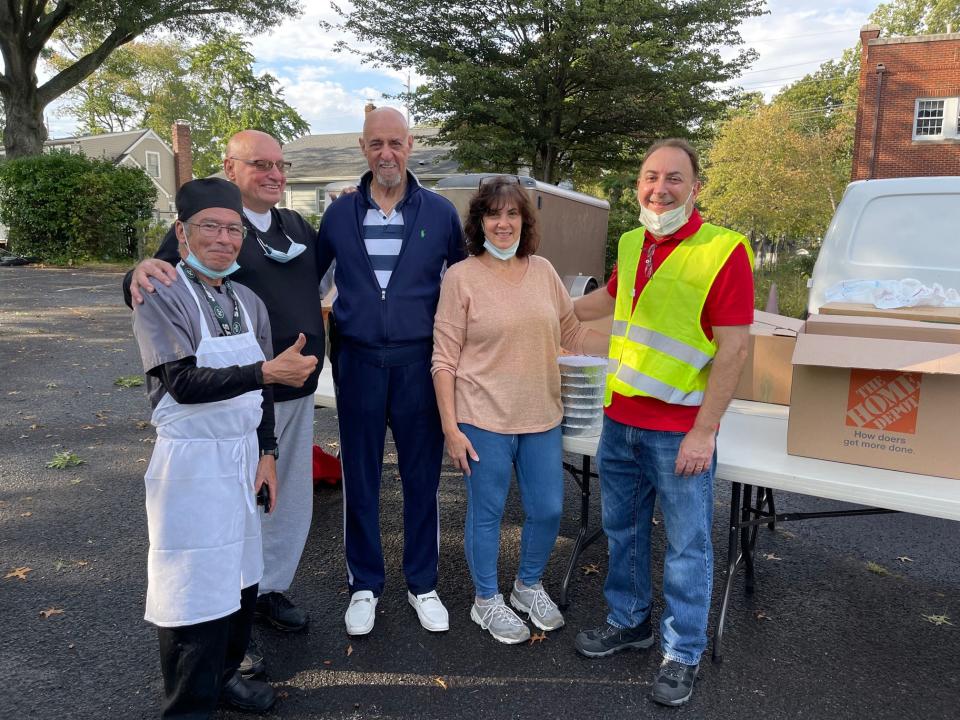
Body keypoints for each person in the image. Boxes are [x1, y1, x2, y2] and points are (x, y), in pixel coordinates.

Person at [125, 131, 326, 662]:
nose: (275, 175)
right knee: (225, 515)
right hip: (229, 399)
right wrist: (133, 272)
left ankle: (270, 587)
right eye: (260, 164)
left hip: (292, 389)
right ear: (230, 168)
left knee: (283, 496)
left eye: (281, 165)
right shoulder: (209, 223)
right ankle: (226, 611)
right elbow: (157, 278)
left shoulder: (298, 226)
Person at [572, 139, 753, 706]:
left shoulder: (723, 251)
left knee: (687, 545)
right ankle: (630, 622)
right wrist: (544, 301)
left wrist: (705, 431)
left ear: (695, 186)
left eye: (674, 178)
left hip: (679, 430)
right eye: (651, 177)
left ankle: (683, 650)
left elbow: (734, 351)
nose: (660, 188)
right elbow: (606, 301)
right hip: (620, 419)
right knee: (622, 531)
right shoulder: (631, 244)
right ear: (637, 187)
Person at [431, 176, 608, 644]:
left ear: (525, 221)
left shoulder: (545, 271)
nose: (503, 223)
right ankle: (485, 600)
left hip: (541, 414)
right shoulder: (461, 277)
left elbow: (571, 334)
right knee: (486, 513)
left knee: (548, 510)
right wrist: (451, 427)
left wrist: (630, 347)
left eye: (513, 214)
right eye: (494, 214)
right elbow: (444, 358)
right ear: (480, 222)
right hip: (481, 415)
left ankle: (528, 586)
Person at [316, 107, 465, 636]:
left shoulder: (441, 214)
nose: (387, 154)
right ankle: (364, 584)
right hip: (357, 363)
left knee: (421, 478)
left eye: (396, 143)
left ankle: (422, 583)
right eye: (377, 144)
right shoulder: (337, 216)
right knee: (360, 476)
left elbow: (465, 287)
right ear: (363, 147)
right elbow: (305, 285)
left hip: (417, 365)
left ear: (410, 146)